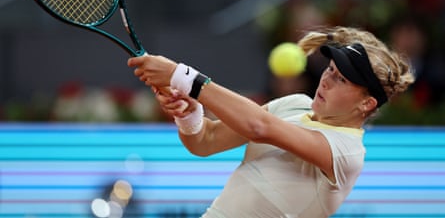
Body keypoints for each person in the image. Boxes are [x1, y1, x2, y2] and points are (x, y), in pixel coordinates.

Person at [127, 26, 414, 217]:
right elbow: (206, 140)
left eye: (341, 79)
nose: (326, 80)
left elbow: (259, 127)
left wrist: (182, 76)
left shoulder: (347, 151)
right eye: (330, 69)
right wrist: (188, 114)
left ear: (366, 103)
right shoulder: (295, 104)